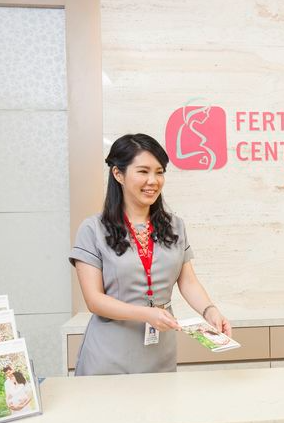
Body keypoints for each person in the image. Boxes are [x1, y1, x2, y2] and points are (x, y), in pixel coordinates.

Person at [69, 133, 232, 375]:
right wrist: (146, 313)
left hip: (159, 352)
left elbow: (188, 282)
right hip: (109, 354)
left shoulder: (175, 226)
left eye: (159, 172)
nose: (153, 181)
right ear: (118, 174)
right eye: (143, 171)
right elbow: (94, 300)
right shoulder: (93, 229)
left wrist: (210, 310)